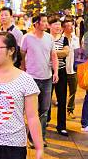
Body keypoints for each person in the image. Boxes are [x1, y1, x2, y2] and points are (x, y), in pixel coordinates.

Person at [20, 14, 59, 145]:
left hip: (47, 78)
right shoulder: (27, 38)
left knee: (44, 110)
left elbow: (53, 56)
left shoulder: (49, 38)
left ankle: (41, 137)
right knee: (32, 110)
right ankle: (32, 138)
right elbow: (22, 54)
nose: (46, 24)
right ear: (36, 24)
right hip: (32, 79)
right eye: (43, 21)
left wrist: (56, 72)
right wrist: (23, 71)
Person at [63, 17, 79, 118]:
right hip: (63, 69)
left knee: (73, 90)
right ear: (63, 28)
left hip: (73, 69)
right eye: (68, 26)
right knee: (62, 91)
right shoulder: (60, 39)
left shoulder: (76, 39)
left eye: (71, 25)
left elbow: (79, 54)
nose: (70, 27)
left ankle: (70, 109)